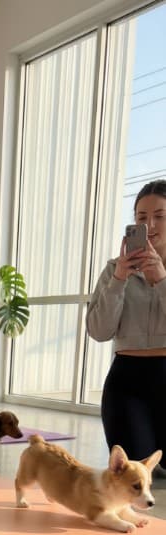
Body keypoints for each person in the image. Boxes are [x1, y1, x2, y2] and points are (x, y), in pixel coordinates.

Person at [87, 179, 166, 476]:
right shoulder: (113, 269)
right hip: (127, 383)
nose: (151, 225)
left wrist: (160, 280)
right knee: (135, 474)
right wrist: (119, 279)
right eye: (141, 218)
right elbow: (98, 330)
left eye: (159, 216)